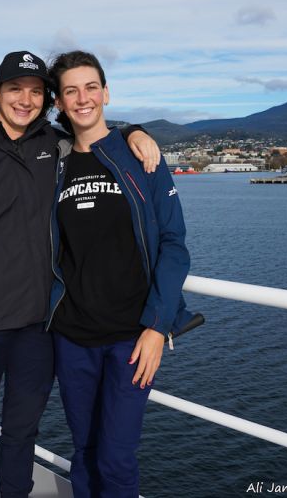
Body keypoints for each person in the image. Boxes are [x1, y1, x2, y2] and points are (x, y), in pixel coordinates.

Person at [0, 50, 161, 498]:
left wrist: (134, 131)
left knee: (21, 432)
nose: (25, 100)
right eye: (16, 90)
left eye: (35, 92)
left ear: (46, 101)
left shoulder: (54, 145)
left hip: (38, 326)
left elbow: (92, 128)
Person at [46, 50, 193, 498]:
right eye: (71, 90)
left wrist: (157, 326)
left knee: (116, 457)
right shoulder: (53, 161)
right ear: (59, 102)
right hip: (72, 335)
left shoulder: (140, 157)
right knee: (85, 449)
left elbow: (174, 244)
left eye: (91, 87)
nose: (83, 98)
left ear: (106, 93)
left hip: (133, 337)